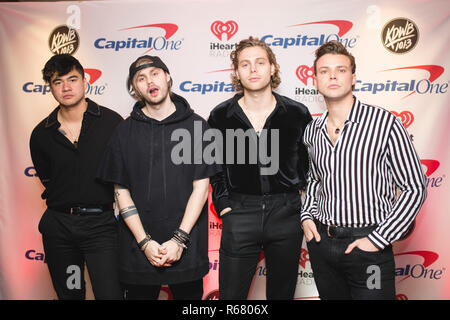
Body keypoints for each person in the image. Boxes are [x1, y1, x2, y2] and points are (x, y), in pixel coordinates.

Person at [301, 40, 427, 300]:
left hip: (369, 242)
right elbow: (314, 179)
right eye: (324, 71)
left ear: (354, 78)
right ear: (315, 81)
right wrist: (306, 217)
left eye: (341, 69)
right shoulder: (312, 130)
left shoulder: (385, 123)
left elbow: (415, 186)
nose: (333, 75)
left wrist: (380, 238)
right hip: (322, 244)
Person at [97, 55, 219, 300]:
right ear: (135, 89)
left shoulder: (198, 126)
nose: (149, 81)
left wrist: (178, 240)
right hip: (139, 251)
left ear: (167, 77)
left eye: (154, 73)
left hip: (186, 248)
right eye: (140, 78)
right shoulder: (124, 131)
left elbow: (201, 188)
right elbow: (121, 192)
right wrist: (145, 243)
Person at [208, 36, 312, 300]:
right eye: (245, 64)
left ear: (272, 68)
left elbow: (311, 168)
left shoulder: (297, 114)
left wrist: (301, 205)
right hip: (239, 213)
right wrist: (223, 204)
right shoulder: (220, 116)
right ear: (236, 72)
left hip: (286, 214)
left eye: (260, 62)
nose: (253, 69)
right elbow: (214, 167)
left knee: (282, 294)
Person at [29, 54, 123, 299]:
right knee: (71, 295)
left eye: (72, 79)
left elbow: (124, 172)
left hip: (101, 229)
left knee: (110, 294)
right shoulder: (41, 134)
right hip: (60, 231)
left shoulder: (111, 122)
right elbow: (48, 179)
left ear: (85, 81)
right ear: (50, 88)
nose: (66, 87)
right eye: (57, 82)